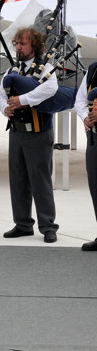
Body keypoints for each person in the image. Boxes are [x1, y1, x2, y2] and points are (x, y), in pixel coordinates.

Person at [0, 27, 58, 243]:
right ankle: (22, 223)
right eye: (16, 43)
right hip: (17, 132)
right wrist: (5, 108)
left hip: (39, 133)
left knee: (40, 180)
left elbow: (50, 89)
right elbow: (0, 96)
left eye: (22, 44)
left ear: (34, 46)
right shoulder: (12, 70)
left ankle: (48, 226)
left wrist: (22, 100)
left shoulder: (46, 68)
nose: (18, 47)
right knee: (18, 179)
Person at [74, 59, 97, 250]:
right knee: (96, 189)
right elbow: (80, 99)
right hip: (95, 139)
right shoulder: (93, 69)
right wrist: (85, 117)